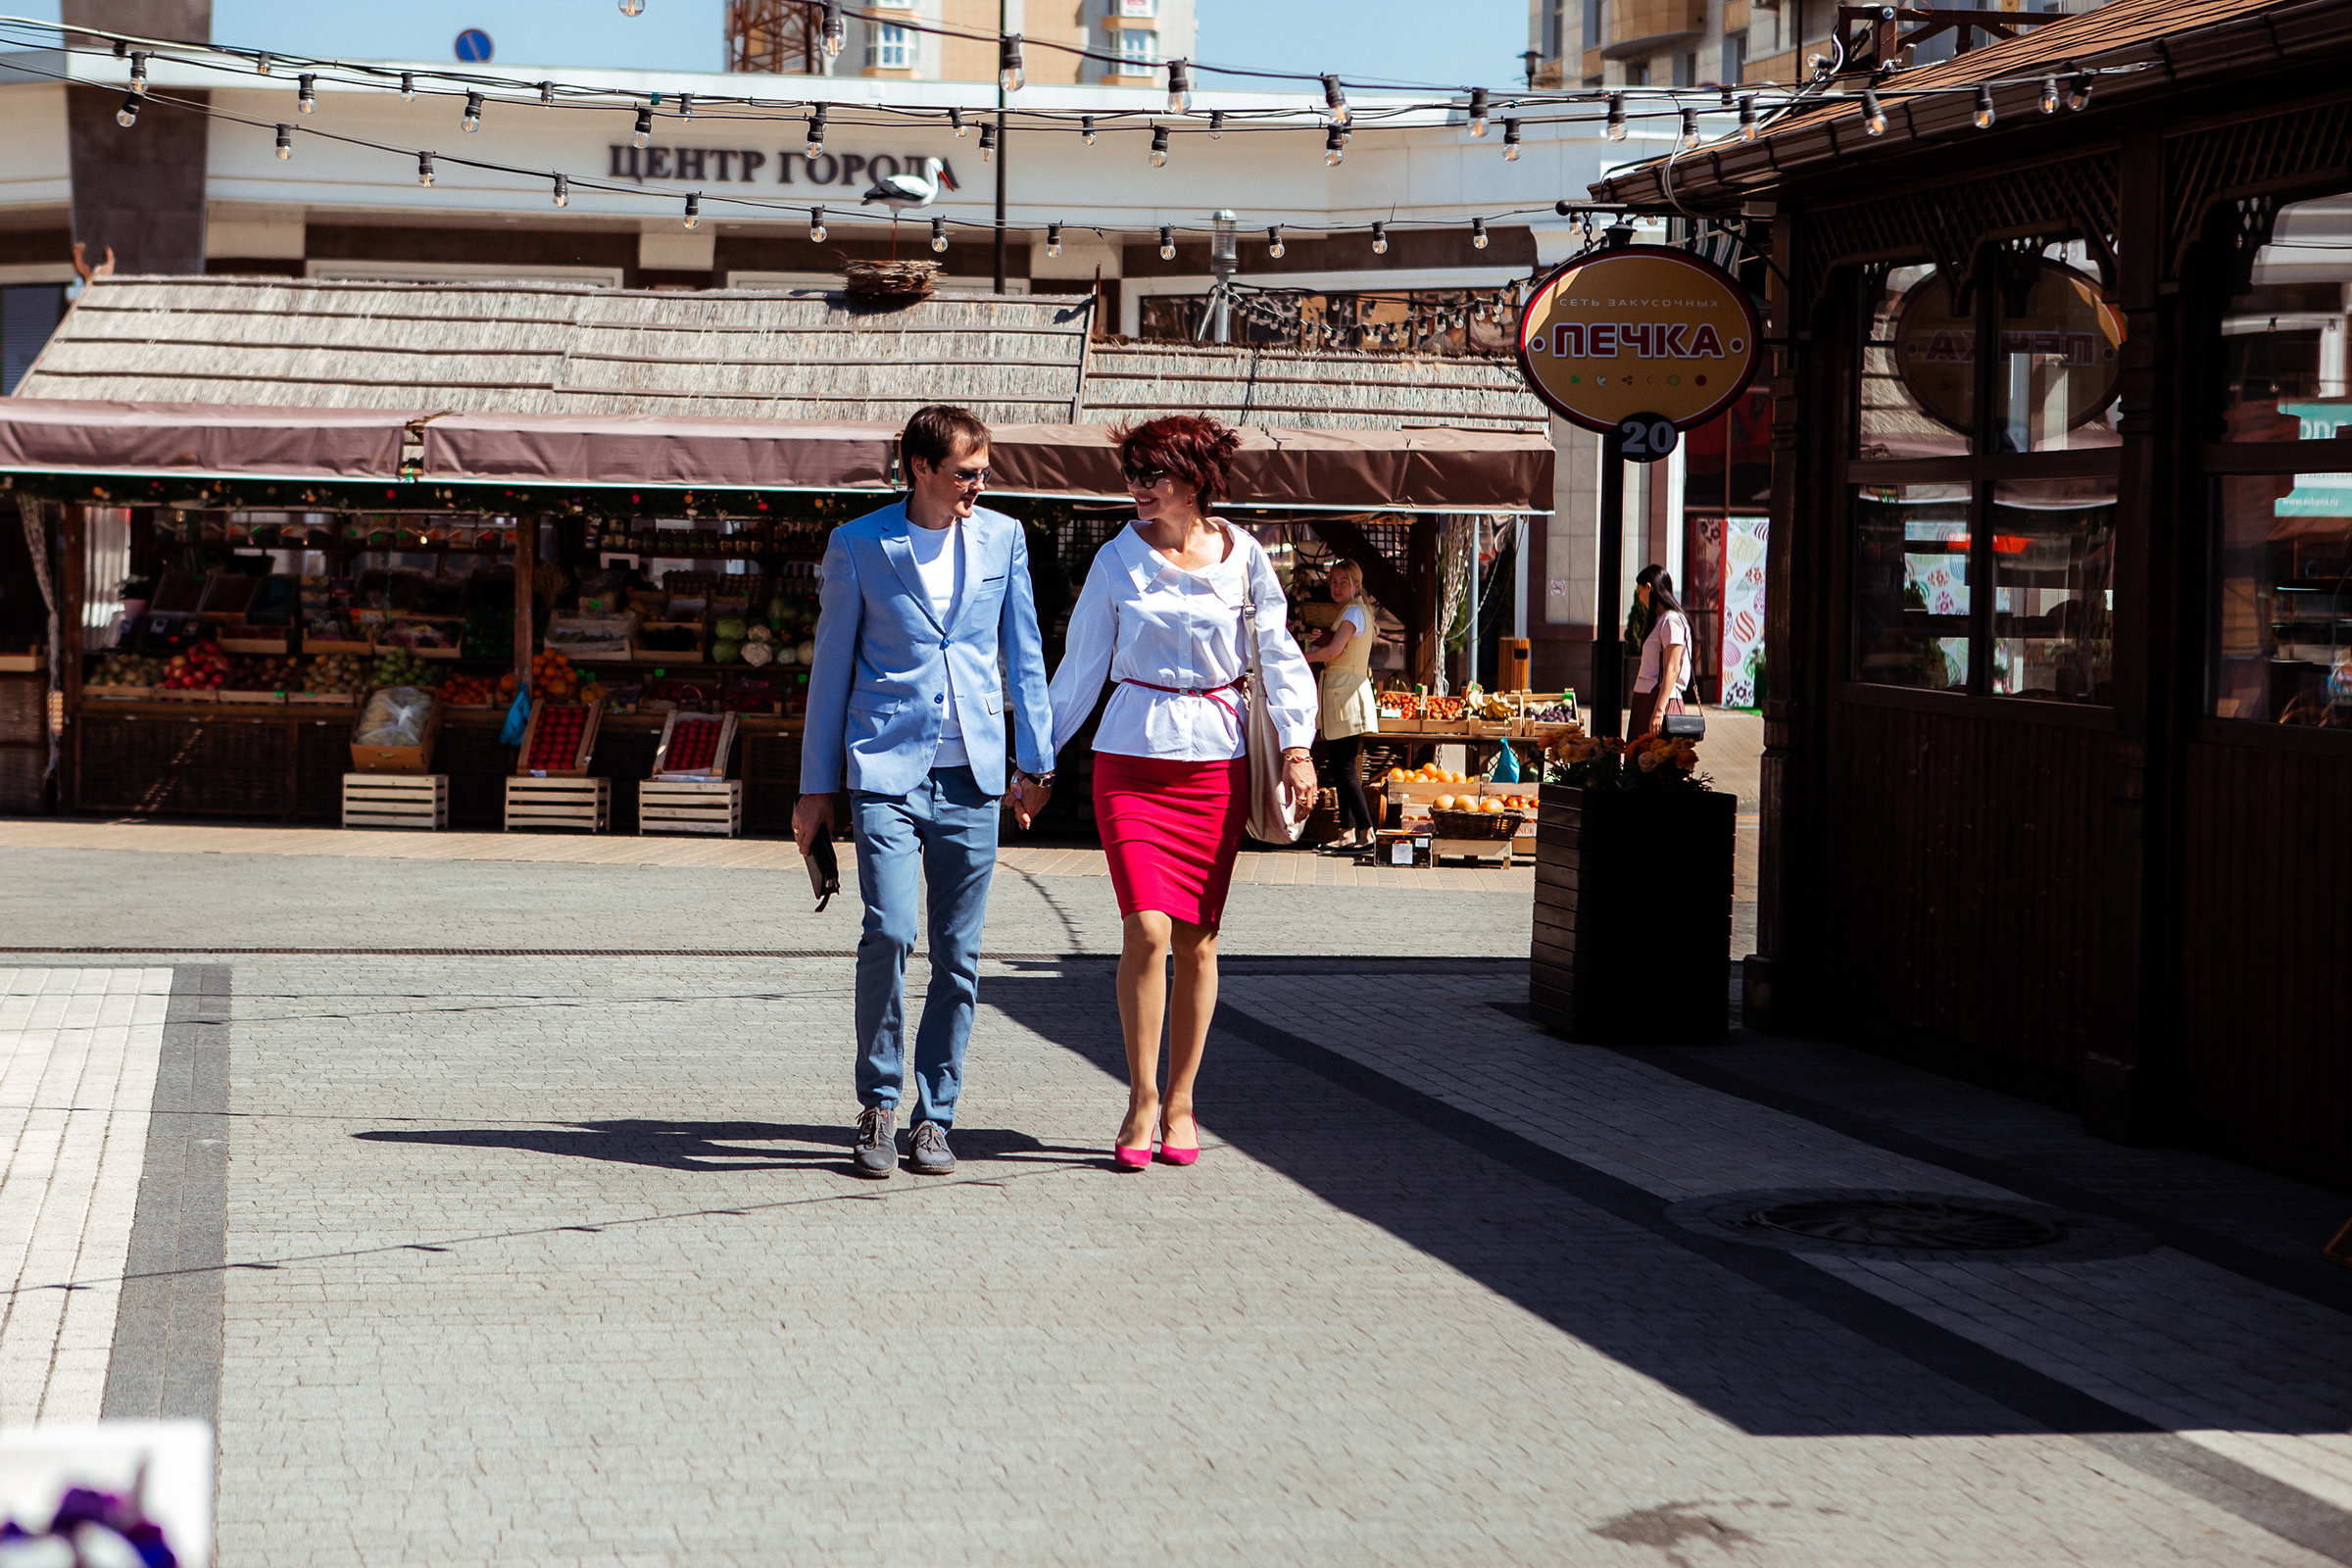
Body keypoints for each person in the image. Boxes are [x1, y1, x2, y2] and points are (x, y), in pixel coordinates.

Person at [1047, 415, 1318, 1169]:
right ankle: (1138, 1097)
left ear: (1196, 480)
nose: (1138, 487)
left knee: (1198, 937)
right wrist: (1035, 761)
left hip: (1217, 761)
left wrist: (1297, 747)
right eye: (1132, 473)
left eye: (1153, 474)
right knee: (1148, 929)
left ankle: (1183, 1101)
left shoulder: (1245, 555)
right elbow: (1080, 667)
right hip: (1129, 759)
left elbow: (1279, 653)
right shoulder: (1115, 559)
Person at [793, 405, 1056, 1181]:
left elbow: (1025, 655)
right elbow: (830, 672)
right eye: (964, 473)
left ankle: (934, 1117)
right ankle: (877, 1103)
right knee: (890, 931)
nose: (979, 484)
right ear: (917, 469)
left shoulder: (1004, 538)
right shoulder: (861, 543)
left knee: (961, 956)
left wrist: (1035, 767)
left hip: (974, 776)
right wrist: (815, 790)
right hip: (884, 772)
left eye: (983, 471)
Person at [1303, 558, 1381, 854]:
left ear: (1357, 585)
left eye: (1343, 582)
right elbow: (1338, 646)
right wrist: (1324, 639)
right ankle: (1348, 831)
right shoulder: (1355, 612)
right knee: (1339, 767)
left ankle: (1366, 832)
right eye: (1333, 581)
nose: (1337, 587)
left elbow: (1335, 651)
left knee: (1346, 770)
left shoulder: (1352, 612)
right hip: (1343, 694)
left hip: (1345, 695)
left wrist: (1303, 655)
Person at [1628, 564, 1694, 739]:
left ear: (1649, 587)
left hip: (1658, 701)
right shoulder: (1661, 620)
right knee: (1642, 761)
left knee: (1654, 760)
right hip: (1649, 699)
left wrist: (1658, 711)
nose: (1639, 596)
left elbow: (1673, 668)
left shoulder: (1671, 621)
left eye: (1640, 590)